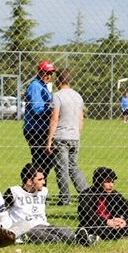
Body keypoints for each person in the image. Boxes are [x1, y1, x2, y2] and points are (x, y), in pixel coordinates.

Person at [4, 163, 95, 246]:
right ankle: (81, 240)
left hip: (44, 225)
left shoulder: (44, 191)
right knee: (51, 238)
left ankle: (79, 239)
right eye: (40, 179)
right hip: (27, 228)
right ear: (29, 181)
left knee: (61, 229)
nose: (43, 182)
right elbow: (1, 212)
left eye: (43, 179)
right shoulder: (14, 192)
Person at [45, 68, 88, 206]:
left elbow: (54, 119)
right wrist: (77, 134)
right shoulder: (78, 96)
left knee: (61, 169)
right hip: (74, 136)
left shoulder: (57, 96)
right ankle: (87, 195)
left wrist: (49, 140)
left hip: (61, 136)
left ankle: (65, 199)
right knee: (73, 167)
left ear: (59, 80)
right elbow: (81, 119)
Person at [77, 166, 128, 241]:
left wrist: (123, 221)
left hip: (113, 225)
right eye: (107, 182)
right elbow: (88, 214)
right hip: (98, 224)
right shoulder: (86, 195)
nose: (111, 185)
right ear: (98, 182)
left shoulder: (114, 195)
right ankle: (124, 235)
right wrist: (107, 222)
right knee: (91, 226)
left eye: (112, 182)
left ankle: (100, 237)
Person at [23, 61, 56, 177]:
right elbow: (37, 110)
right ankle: (37, 188)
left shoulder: (43, 86)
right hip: (36, 129)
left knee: (46, 161)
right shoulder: (35, 86)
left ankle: (39, 187)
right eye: (46, 73)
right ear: (39, 72)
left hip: (42, 128)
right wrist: (54, 112)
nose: (49, 76)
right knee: (41, 162)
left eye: (51, 73)